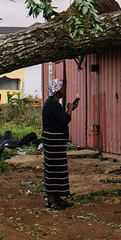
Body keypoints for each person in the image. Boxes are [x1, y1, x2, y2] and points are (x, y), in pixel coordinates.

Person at [42, 78, 78, 210]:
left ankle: (57, 198)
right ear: (57, 90)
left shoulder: (52, 103)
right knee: (54, 168)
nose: (63, 90)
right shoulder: (53, 104)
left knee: (57, 168)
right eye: (62, 87)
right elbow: (65, 120)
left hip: (53, 140)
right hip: (53, 140)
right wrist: (69, 109)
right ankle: (51, 200)